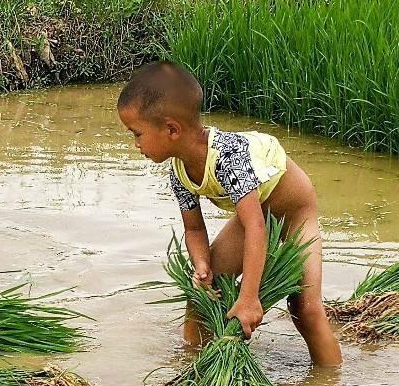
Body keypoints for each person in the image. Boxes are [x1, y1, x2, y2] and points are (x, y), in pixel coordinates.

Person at [116, 61, 341, 366]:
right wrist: (201, 264)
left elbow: (255, 227)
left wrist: (249, 298)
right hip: (258, 215)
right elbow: (194, 230)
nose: (135, 144)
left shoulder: (228, 158)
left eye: (137, 134)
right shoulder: (179, 170)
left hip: (294, 213)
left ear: (171, 129)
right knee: (202, 298)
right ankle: (197, 368)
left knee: (306, 308)